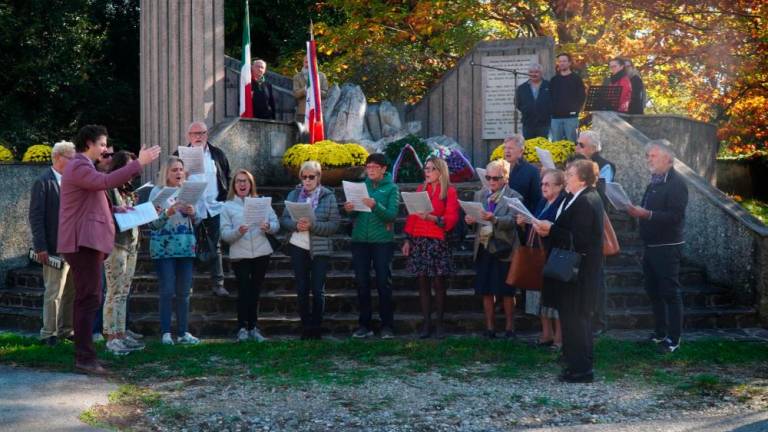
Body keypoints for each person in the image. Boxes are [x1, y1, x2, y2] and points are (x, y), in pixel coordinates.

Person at [58, 124, 160, 375]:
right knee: (88, 299)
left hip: (86, 241)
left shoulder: (84, 167)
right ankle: (85, 358)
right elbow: (105, 181)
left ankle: (86, 355)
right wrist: (138, 163)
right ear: (89, 144)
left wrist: (116, 210)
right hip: (82, 242)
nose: (105, 150)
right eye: (102, 145)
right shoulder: (79, 165)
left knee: (89, 298)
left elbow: (89, 201)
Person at [532, 160, 604, 383]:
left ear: (582, 179)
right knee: (572, 317)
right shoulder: (576, 197)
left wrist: (551, 228)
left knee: (576, 319)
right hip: (573, 272)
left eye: (570, 173)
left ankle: (581, 369)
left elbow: (580, 239)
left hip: (578, 272)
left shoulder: (586, 200)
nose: (566, 176)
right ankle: (575, 363)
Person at [627, 140, 688, 354]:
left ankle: (674, 339)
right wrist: (636, 211)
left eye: (652, 156)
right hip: (651, 245)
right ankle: (660, 333)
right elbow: (648, 209)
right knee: (653, 291)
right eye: (648, 156)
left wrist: (647, 214)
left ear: (668, 159)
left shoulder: (677, 183)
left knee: (670, 292)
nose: (648, 160)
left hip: (668, 246)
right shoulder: (654, 181)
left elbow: (676, 216)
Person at [281, 161, 340, 339]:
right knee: (301, 288)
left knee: (317, 289)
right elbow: (284, 220)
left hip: (319, 248)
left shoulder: (328, 196)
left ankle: (316, 327)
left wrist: (313, 226)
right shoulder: (293, 194)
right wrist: (296, 225)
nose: (307, 180)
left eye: (311, 177)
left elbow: (334, 225)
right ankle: (306, 327)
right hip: (298, 245)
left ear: (319, 177)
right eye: (304, 177)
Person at [343, 153, 400, 339]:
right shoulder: (361, 187)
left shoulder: (392, 188)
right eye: (368, 167)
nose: (371, 170)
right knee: (362, 284)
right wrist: (349, 210)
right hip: (360, 241)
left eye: (375, 167)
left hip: (382, 242)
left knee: (384, 284)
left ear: (384, 169)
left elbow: (392, 216)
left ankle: (387, 326)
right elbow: (354, 217)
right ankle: (364, 325)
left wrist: (376, 206)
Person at [402, 156, 459, 339]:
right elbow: (412, 216)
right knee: (423, 283)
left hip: (437, 241)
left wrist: (433, 219)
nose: (427, 172)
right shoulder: (421, 189)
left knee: (439, 284)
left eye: (431, 169)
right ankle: (426, 324)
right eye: (426, 169)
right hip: (420, 240)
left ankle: (440, 324)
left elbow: (452, 218)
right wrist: (407, 239)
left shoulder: (449, 191)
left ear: (440, 172)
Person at [465, 159, 523, 339]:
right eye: (488, 177)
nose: (491, 182)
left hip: (504, 247)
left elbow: (515, 221)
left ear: (505, 178)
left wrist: (495, 220)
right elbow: (474, 221)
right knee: (486, 289)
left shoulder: (515, 196)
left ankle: (509, 327)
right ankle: (490, 327)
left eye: (496, 178)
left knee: (507, 290)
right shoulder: (480, 195)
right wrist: (470, 221)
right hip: (484, 245)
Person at [221, 169, 279, 343]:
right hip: (240, 253)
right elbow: (224, 234)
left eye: (245, 181)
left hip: (262, 252)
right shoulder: (227, 206)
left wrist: (268, 226)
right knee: (243, 290)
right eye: (239, 181)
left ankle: (253, 327)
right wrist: (238, 232)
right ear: (234, 185)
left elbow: (276, 225)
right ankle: (241, 328)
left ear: (251, 184)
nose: (242, 184)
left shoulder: (262, 202)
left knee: (255, 290)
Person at [148, 157, 201, 346]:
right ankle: (165, 333)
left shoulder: (189, 190)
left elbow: (199, 220)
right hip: (164, 249)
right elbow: (152, 224)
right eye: (174, 170)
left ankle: (183, 332)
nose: (179, 173)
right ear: (166, 173)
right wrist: (167, 213)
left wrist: (193, 213)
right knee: (167, 290)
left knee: (184, 292)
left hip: (186, 247)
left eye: (181, 169)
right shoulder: (157, 191)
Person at [175, 121, 231, 297]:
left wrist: (222, 198)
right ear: (188, 136)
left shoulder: (217, 153)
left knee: (216, 246)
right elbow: (170, 180)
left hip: (213, 207)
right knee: (188, 246)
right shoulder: (179, 155)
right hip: (189, 208)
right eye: (194, 134)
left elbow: (226, 176)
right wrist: (183, 176)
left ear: (207, 134)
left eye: (201, 133)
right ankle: (187, 285)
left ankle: (218, 283)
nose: (198, 136)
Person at [29, 140, 76, 346]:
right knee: (54, 291)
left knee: (70, 291)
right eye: (71, 158)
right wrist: (41, 247)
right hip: (53, 245)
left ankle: (66, 330)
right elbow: (36, 217)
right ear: (57, 157)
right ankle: (49, 333)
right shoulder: (43, 181)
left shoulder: (73, 180)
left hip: (74, 246)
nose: (74, 162)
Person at [517, 169, 566, 350]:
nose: (543, 187)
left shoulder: (562, 204)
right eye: (542, 184)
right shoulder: (542, 201)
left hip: (553, 254)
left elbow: (558, 229)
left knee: (556, 299)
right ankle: (546, 334)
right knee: (540, 296)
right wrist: (525, 223)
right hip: (538, 253)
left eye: (548, 184)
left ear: (560, 186)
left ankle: (559, 339)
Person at [103, 151, 145, 355]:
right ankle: (111, 336)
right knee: (114, 291)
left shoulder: (129, 190)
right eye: (129, 167)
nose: (132, 172)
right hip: (116, 244)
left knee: (124, 292)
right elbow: (103, 212)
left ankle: (120, 333)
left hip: (132, 244)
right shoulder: (109, 187)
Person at [550, 53, 586, 142]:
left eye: (564, 61)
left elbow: (582, 96)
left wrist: (575, 110)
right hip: (555, 118)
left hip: (571, 118)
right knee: (556, 145)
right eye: (560, 61)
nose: (562, 63)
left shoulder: (576, 79)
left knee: (572, 144)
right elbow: (550, 97)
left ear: (569, 63)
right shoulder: (554, 80)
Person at [504, 134, 543, 211]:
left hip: (521, 216)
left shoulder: (532, 171)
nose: (507, 151)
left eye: (510, 148)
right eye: (505, 148)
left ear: (521, 151)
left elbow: (536, 200)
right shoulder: (500, 168)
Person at [515, 63, 552, 140]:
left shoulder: (549, 85)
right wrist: (526, 110)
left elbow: (554, 101)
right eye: (531, 72)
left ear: (541, 73)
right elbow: (517, 103)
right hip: (528, 123)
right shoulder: (522, 88)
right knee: (529, 146)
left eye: (536, 72)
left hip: (545, 122)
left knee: (544, 146)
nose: (533, 74)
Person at [293, 56, 329, 123]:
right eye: (306, 62)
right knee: (303, 133)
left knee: (318, 133)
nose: (308, 64)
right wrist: (304, 90)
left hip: (317, 112)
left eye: (310, 62)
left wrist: (316, 90)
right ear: (303, 63)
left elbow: (326, 94)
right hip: (303, 113)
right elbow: (295, 94)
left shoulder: (322, 76)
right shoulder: (297, 77)